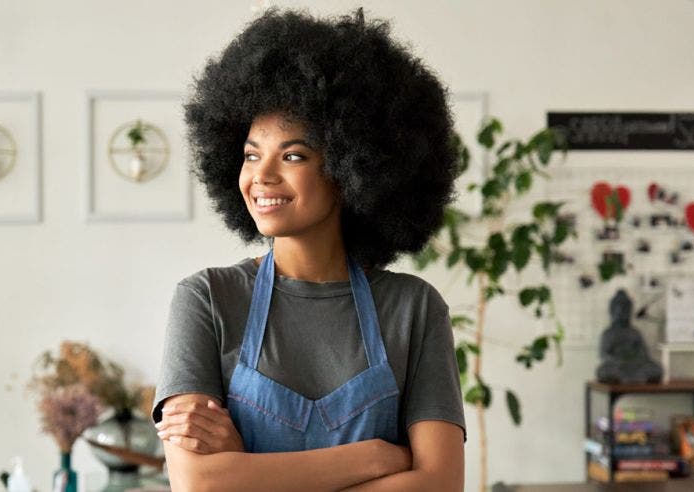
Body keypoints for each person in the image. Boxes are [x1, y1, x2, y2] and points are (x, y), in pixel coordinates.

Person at [151, 6, 466, 491]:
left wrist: (249, 474)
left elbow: (439, 485)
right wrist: (375, 457)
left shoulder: (414, 308)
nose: (262, 176)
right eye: (252, 154)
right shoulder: (206, 299)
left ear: (351, 168)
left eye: (293, 155)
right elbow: (200, 484)